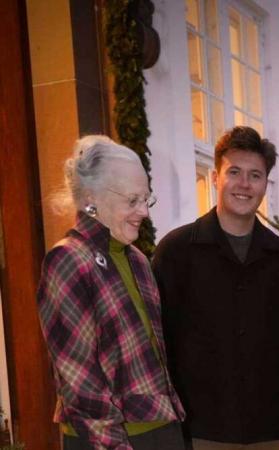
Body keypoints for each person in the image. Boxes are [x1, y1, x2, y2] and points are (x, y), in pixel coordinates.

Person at [152, 126, 279, 449]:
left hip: (271, 431)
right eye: (234, 172)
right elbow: (157, 342)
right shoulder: (176, 252)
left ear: (265, 184)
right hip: (199, 430)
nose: (244, 184)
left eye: (255, 175)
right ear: (216, 177)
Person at [36, 135, 186, 450]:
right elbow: (79, 382)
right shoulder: (68, 260)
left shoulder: (139, 261)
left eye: (147, 199)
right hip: (104, 440)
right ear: (92, 198)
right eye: (132, 200)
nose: (144, 212)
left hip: (160, 431)